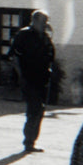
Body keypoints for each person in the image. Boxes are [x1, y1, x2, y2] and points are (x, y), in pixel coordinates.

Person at [10, 10, 55, 153]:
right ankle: (28, 142)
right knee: (33, 109)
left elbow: (51, 56)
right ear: (34, 21)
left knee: (40, 111)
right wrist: (21, 76)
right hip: (29, 78)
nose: (45, 24)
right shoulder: (23, 35)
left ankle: (32, 141)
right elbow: (15, 57)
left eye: (46, 21)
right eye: (43, 21)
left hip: (43, 78)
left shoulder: (45, 37)